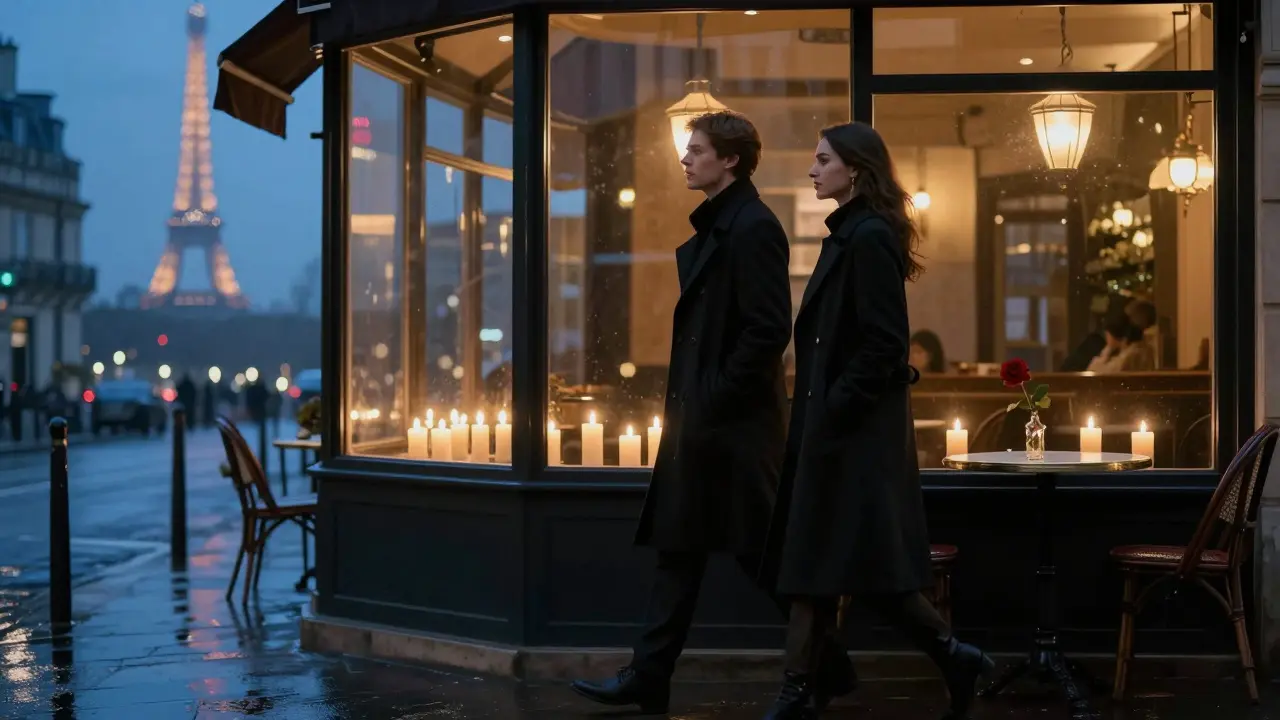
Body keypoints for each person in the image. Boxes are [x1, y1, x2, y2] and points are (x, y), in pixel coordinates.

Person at [570, 111, 853, 714]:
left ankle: (829, 663)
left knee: (760, 556)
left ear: (729, 160)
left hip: (735, 430)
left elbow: (769, 329)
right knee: (680, 551)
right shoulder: (730, 223)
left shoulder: (753, 227)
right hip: (711, 423)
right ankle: (650, 676)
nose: (685, 158)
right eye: (688, 149)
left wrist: (714, 397)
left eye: (697, 150)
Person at [760, 122, 991, 720]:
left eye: (822, 160)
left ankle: (796, 691)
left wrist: (834, 408)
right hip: (839, 430)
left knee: (819, 563)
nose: (812, 170)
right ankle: (950, 656)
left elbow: (886, 343)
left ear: (855, 170)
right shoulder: (852, 233)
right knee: (848, 568)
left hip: (850, 436)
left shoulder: (865, 237)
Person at [1086, 312, 1154, 373]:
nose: (1106, 338)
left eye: (1107, 335)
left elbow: (1095, 372)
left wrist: (1105, 354)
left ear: (1113, 335)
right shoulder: (1139, 348)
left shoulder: (1130, 355)